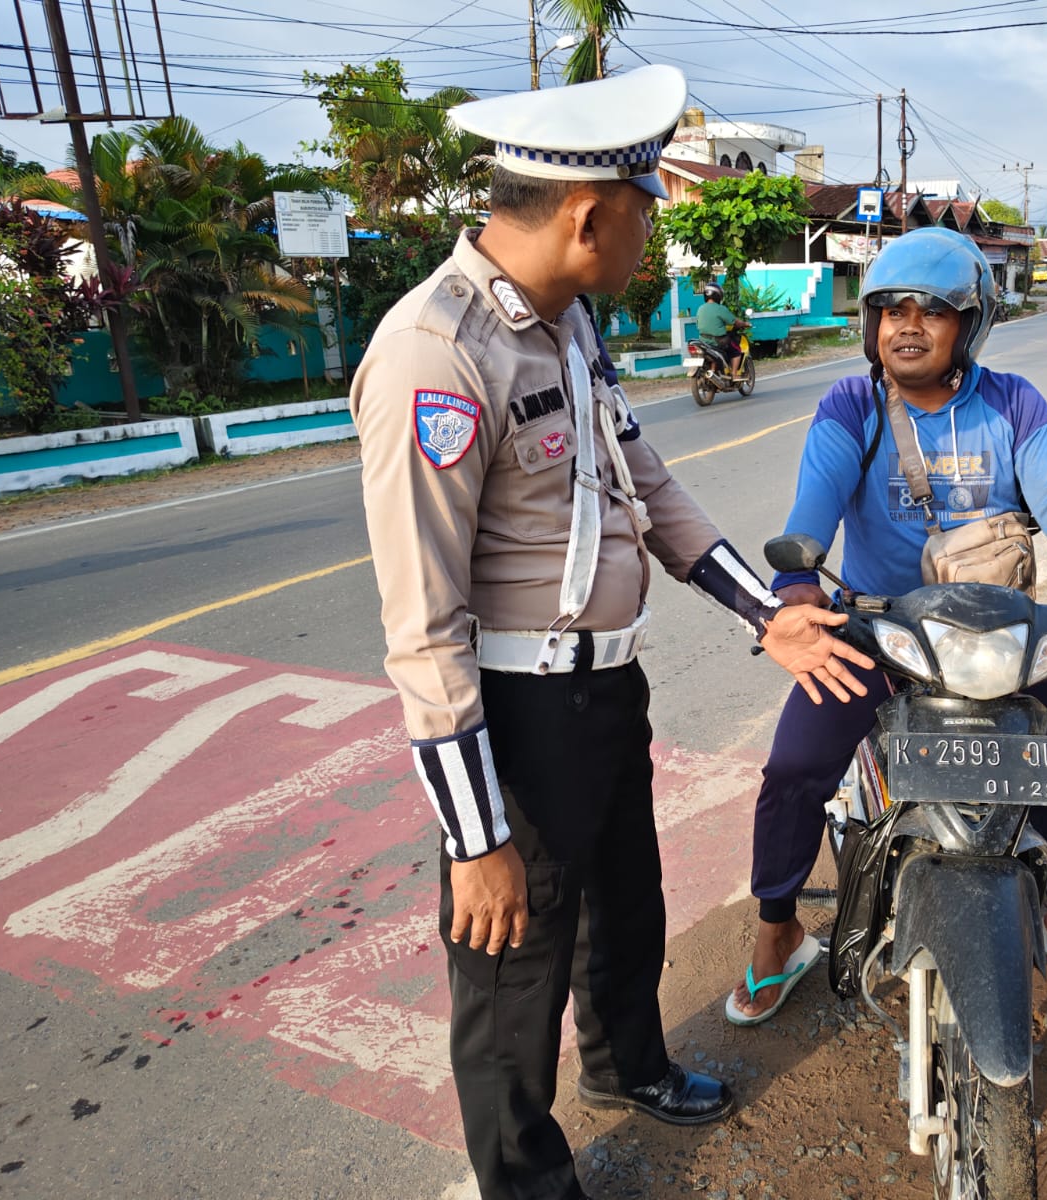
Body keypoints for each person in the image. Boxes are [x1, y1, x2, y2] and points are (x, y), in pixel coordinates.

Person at [349, 64, 872, 1200]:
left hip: (602, 690)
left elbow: (650, 487)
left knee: (625, 905)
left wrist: (764, 615)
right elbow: (423, 624)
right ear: (590, 217)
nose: (650, 237)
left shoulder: (565, 322)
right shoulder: (434, 356)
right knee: (512, 967)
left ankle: (629, 1065)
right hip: (513, 713)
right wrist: (476, 838)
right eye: (646, 213)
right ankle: (527, 1181)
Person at [725, 227, 1047, 1027]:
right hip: (881, 638)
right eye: (890, 308)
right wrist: (794, 583)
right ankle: (778, 932)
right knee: (792, 771)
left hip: (999, 646)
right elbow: (812, 506)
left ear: (972, 324)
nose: (906, 325)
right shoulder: (853, 405)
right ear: (871, 324)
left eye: (932, 310)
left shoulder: (1013, 402)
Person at [694, 282, 749, 377]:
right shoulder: (720, 309)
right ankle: (734, 374)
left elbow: (698, 324)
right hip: (718, 341)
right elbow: (735, 322)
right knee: (736, 350)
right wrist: (745, 324)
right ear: (718, 295)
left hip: (703, 341)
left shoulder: (700, 308)